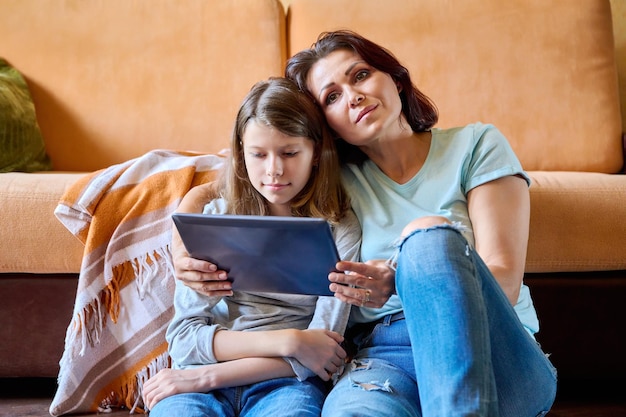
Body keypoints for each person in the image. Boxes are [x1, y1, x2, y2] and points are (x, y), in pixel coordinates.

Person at [282, 30, 558, 416]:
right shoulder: (334, 183)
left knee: (427, 237)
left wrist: (402, 277)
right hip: (386, 360)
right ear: (326, 124)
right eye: (332, 96)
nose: (353, 95)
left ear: (395, 79)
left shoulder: (475, 144)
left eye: (360, 75)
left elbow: (505, 280)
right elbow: (249, 166)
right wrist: (183, 238)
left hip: (494, 354)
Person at [143, 77, 361, 416]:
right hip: (200, 383)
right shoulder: (215, 221)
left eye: (290, 153)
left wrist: (205, 376)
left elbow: (323, 353)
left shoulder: (338, 229)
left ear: (316, 153)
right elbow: (185, 339)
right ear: (241, 155)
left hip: (285, 384)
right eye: (258, 155)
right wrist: (291, 341)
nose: (274, 170)